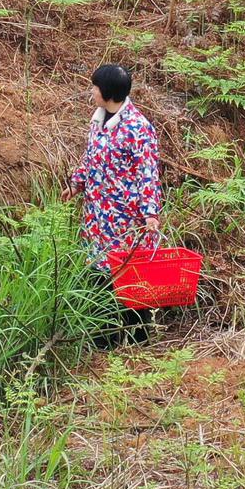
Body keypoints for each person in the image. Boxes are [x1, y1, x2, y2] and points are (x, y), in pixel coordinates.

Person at [67, 63, 162, 344]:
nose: (92, 92)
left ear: (107, 91)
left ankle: (138, 338)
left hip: (124, 218)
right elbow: (90, 156)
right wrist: (76, 183)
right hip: (97, 215)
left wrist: (150, 213)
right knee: (98, 273)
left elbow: (148, 173)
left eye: (95, 87)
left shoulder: (138, 127)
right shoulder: (98, 120)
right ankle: (104, 338)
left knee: (127, 274)